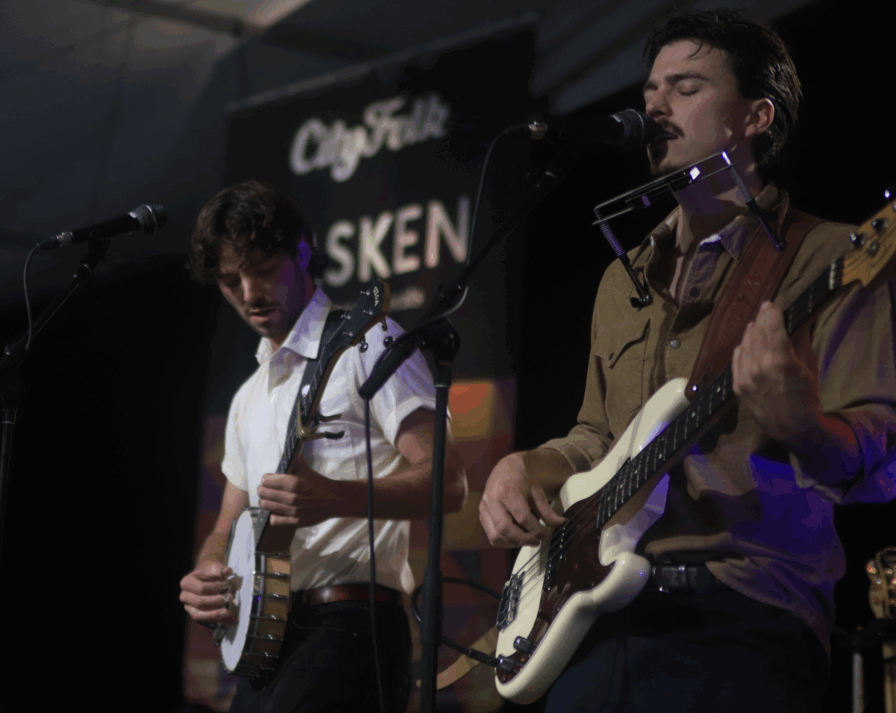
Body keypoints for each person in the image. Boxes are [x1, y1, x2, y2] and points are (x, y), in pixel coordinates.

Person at [479, 10, 896, 712]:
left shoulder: (829, 256)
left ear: (756, 116)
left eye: (686, 87)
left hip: (739, 616)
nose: (654, 105)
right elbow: (597, 438)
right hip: (596, 620)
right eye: (650, 89)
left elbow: (880, 461)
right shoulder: (623, 278)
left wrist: (802, 426)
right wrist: (525, 466)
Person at [180, 180, 467, 712]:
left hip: (350, 627)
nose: (249, 293)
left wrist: (336, 497)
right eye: (229, 280)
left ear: (302, 251)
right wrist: (208, 575)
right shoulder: (247, 396)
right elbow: (227, 526)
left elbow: (449, 482)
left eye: (262, 269)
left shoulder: (368, 341)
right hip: (263, 641)